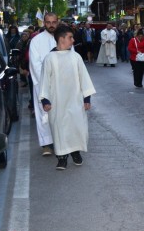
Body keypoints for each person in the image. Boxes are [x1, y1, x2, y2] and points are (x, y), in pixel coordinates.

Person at [40, 25, 96, 170]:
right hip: (57, 101)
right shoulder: (49, 58)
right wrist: (45, 100)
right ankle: (61, 158)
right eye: (70, 37)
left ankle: (76, 153)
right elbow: (45, 80)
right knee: (59, 128)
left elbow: (84, 77)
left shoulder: (75, 57)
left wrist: (87, 98)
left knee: (76, 126)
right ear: (61, 38)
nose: (73, 40)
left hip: (75, 100)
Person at [29, 13, 60, 156]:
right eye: (48, 22)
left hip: (61, 84)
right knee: (44, 113)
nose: (51, 25)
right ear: (44, 23)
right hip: (43, 84)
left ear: (58, 22)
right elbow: (35, 65)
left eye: (54, 22)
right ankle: (46, 144)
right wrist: (46, 82)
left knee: (61, 113)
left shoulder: (64, 39)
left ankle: (60, 142)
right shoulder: (36, 41)